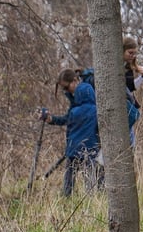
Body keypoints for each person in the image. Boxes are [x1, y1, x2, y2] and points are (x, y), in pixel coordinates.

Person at [39, 69, 102, 197]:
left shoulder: (79, 106)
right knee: (89, 176)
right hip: (91, 148)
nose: (67, 92)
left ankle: (66, 197)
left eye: (67, 88)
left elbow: (70, 122)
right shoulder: (93, 108)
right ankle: (92, 199)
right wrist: (52, 119)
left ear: (75, 81)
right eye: (64, 90)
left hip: (74, 149)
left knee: (70, 176)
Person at [123, 37, 143, 109]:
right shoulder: (116, 66)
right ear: (122, 50)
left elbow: (130, 88)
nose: (133, 56)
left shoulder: (128, 67)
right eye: (130, 53)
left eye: (135, 53)